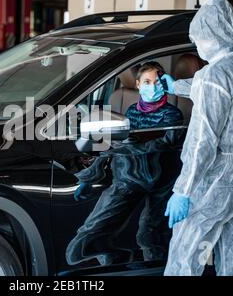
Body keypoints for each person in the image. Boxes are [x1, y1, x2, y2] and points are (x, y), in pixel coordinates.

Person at [161, 0, 233, 276]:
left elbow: (201, 142)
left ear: (212, 34)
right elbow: (222, 91)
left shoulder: (214, 76)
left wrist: (183, 190)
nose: (197, 45)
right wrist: (176, 87)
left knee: (187, 253)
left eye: (198, 39)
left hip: (215, 179)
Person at [66, 62, 184, 266]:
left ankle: (154, 269)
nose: (153, 87)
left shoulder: (172, 115)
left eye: (157, 82)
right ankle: (114, 262)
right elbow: (115, 146)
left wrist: (128, 145)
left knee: (150, 234)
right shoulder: (131, 111)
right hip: (128, 177)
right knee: (90, 233)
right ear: (138, 84)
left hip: (161, 180)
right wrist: (89, 178)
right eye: (147, 82)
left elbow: (160, 145)